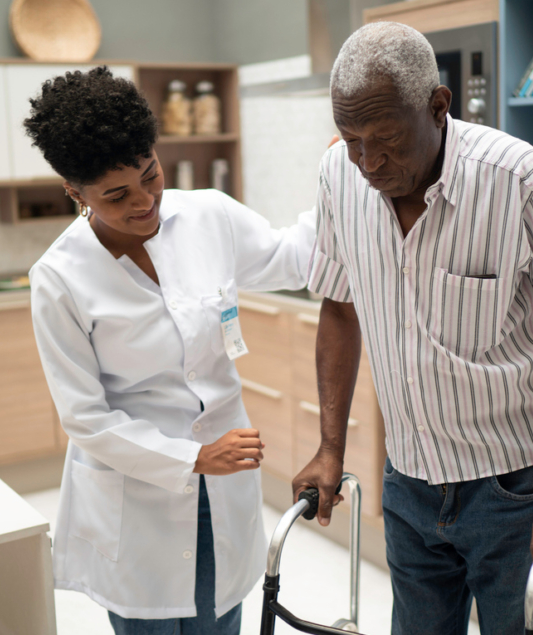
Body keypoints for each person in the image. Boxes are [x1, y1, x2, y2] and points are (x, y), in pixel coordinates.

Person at [292, 22, 533, 634]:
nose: (367, 162)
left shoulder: (520, 180)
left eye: (385, 140)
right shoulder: (338, 173)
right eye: (351, 138)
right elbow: (338, 307)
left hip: (516, 491)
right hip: (408, 482)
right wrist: (330, 447)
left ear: (438, 107)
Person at [25, 66, 316, 635]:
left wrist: (340, 178)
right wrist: (193, 457)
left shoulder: (208, 214)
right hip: (137, 496)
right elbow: (84, 417)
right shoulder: (58, 278)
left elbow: (292, 258)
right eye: (116, 194)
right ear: (73, 190)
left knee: (219, 621)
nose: (144, 201)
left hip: (225, 485)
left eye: (149, 174)